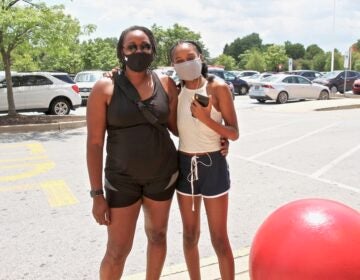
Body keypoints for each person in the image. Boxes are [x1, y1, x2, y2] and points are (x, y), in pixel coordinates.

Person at [86, 25, 179, 280]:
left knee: (158, 236)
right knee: (117, 250)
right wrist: (96, 194)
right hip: (121, 180)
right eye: (132, 47)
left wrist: (215, 134)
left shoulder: (167, 83)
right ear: (122, 51)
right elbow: (94, 143)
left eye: (145, 46)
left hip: (163, 175)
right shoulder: (105, 87)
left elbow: (178, 128)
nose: (139, 51)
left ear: (153, 50)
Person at [170, 40, 239, 280]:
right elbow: (178, 130)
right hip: (185, 165)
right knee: (190, 235)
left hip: (214, 166)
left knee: (219, 238)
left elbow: (233, 132)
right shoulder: (174, 91)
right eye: (179, 60)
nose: (186, 63)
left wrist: (206, 119)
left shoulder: (217, 88)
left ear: (200, 57)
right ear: (173, 65)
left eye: (190, 57)